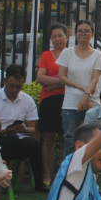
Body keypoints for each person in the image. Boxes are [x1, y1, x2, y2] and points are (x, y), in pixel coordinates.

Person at [0, 64, 48, 192]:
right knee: (9, 139)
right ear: (5, 81)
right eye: (12, 85)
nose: (15, 89)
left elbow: (32, 129)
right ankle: (1, 182)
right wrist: (6, 130)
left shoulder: (27, 100)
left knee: (34, 144)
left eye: (19, 86)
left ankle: (39, 183)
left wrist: (24, 130)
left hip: (19, 140)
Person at [58, 20, 101, 156]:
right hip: (71, 102)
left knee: (93, 139)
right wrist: (82, 87)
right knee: (70, 138)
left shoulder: (98, 55)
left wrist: (87, 95)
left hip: (92, 102)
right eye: (80, 31)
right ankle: (68, 172)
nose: (83, 34)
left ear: (92, 34)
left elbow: (95, 78)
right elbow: (62, 77)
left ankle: (91, 172)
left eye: (86, 31)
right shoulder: (67, 53)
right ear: (75, 34)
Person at [36, 24, 68, 187]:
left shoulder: (71, 54)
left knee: (65, 138)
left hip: (67, 100)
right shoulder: (46, 55)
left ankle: (61, 175)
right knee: (48, 139)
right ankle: (47, 174)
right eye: (54, 36)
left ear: (66, 37)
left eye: (60, 35)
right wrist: (61, 81)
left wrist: (55, 84)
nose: (57, 39)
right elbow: (40, 78)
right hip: (48, 100)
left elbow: (76, 78)